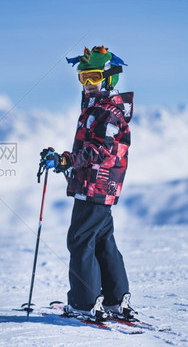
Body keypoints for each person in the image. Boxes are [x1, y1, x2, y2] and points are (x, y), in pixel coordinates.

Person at [41, 46, 136, 321]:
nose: (87, 84)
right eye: (83, 78)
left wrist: (66, 161)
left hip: (97, 185)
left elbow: (100, 150)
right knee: (102, 241)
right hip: (96, 185)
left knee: (80, 241)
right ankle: (115, 300)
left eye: (93, 77)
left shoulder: (107, 112)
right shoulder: (99, 108)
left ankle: (84, 304)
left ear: (109, 78)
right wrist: (65, 162)